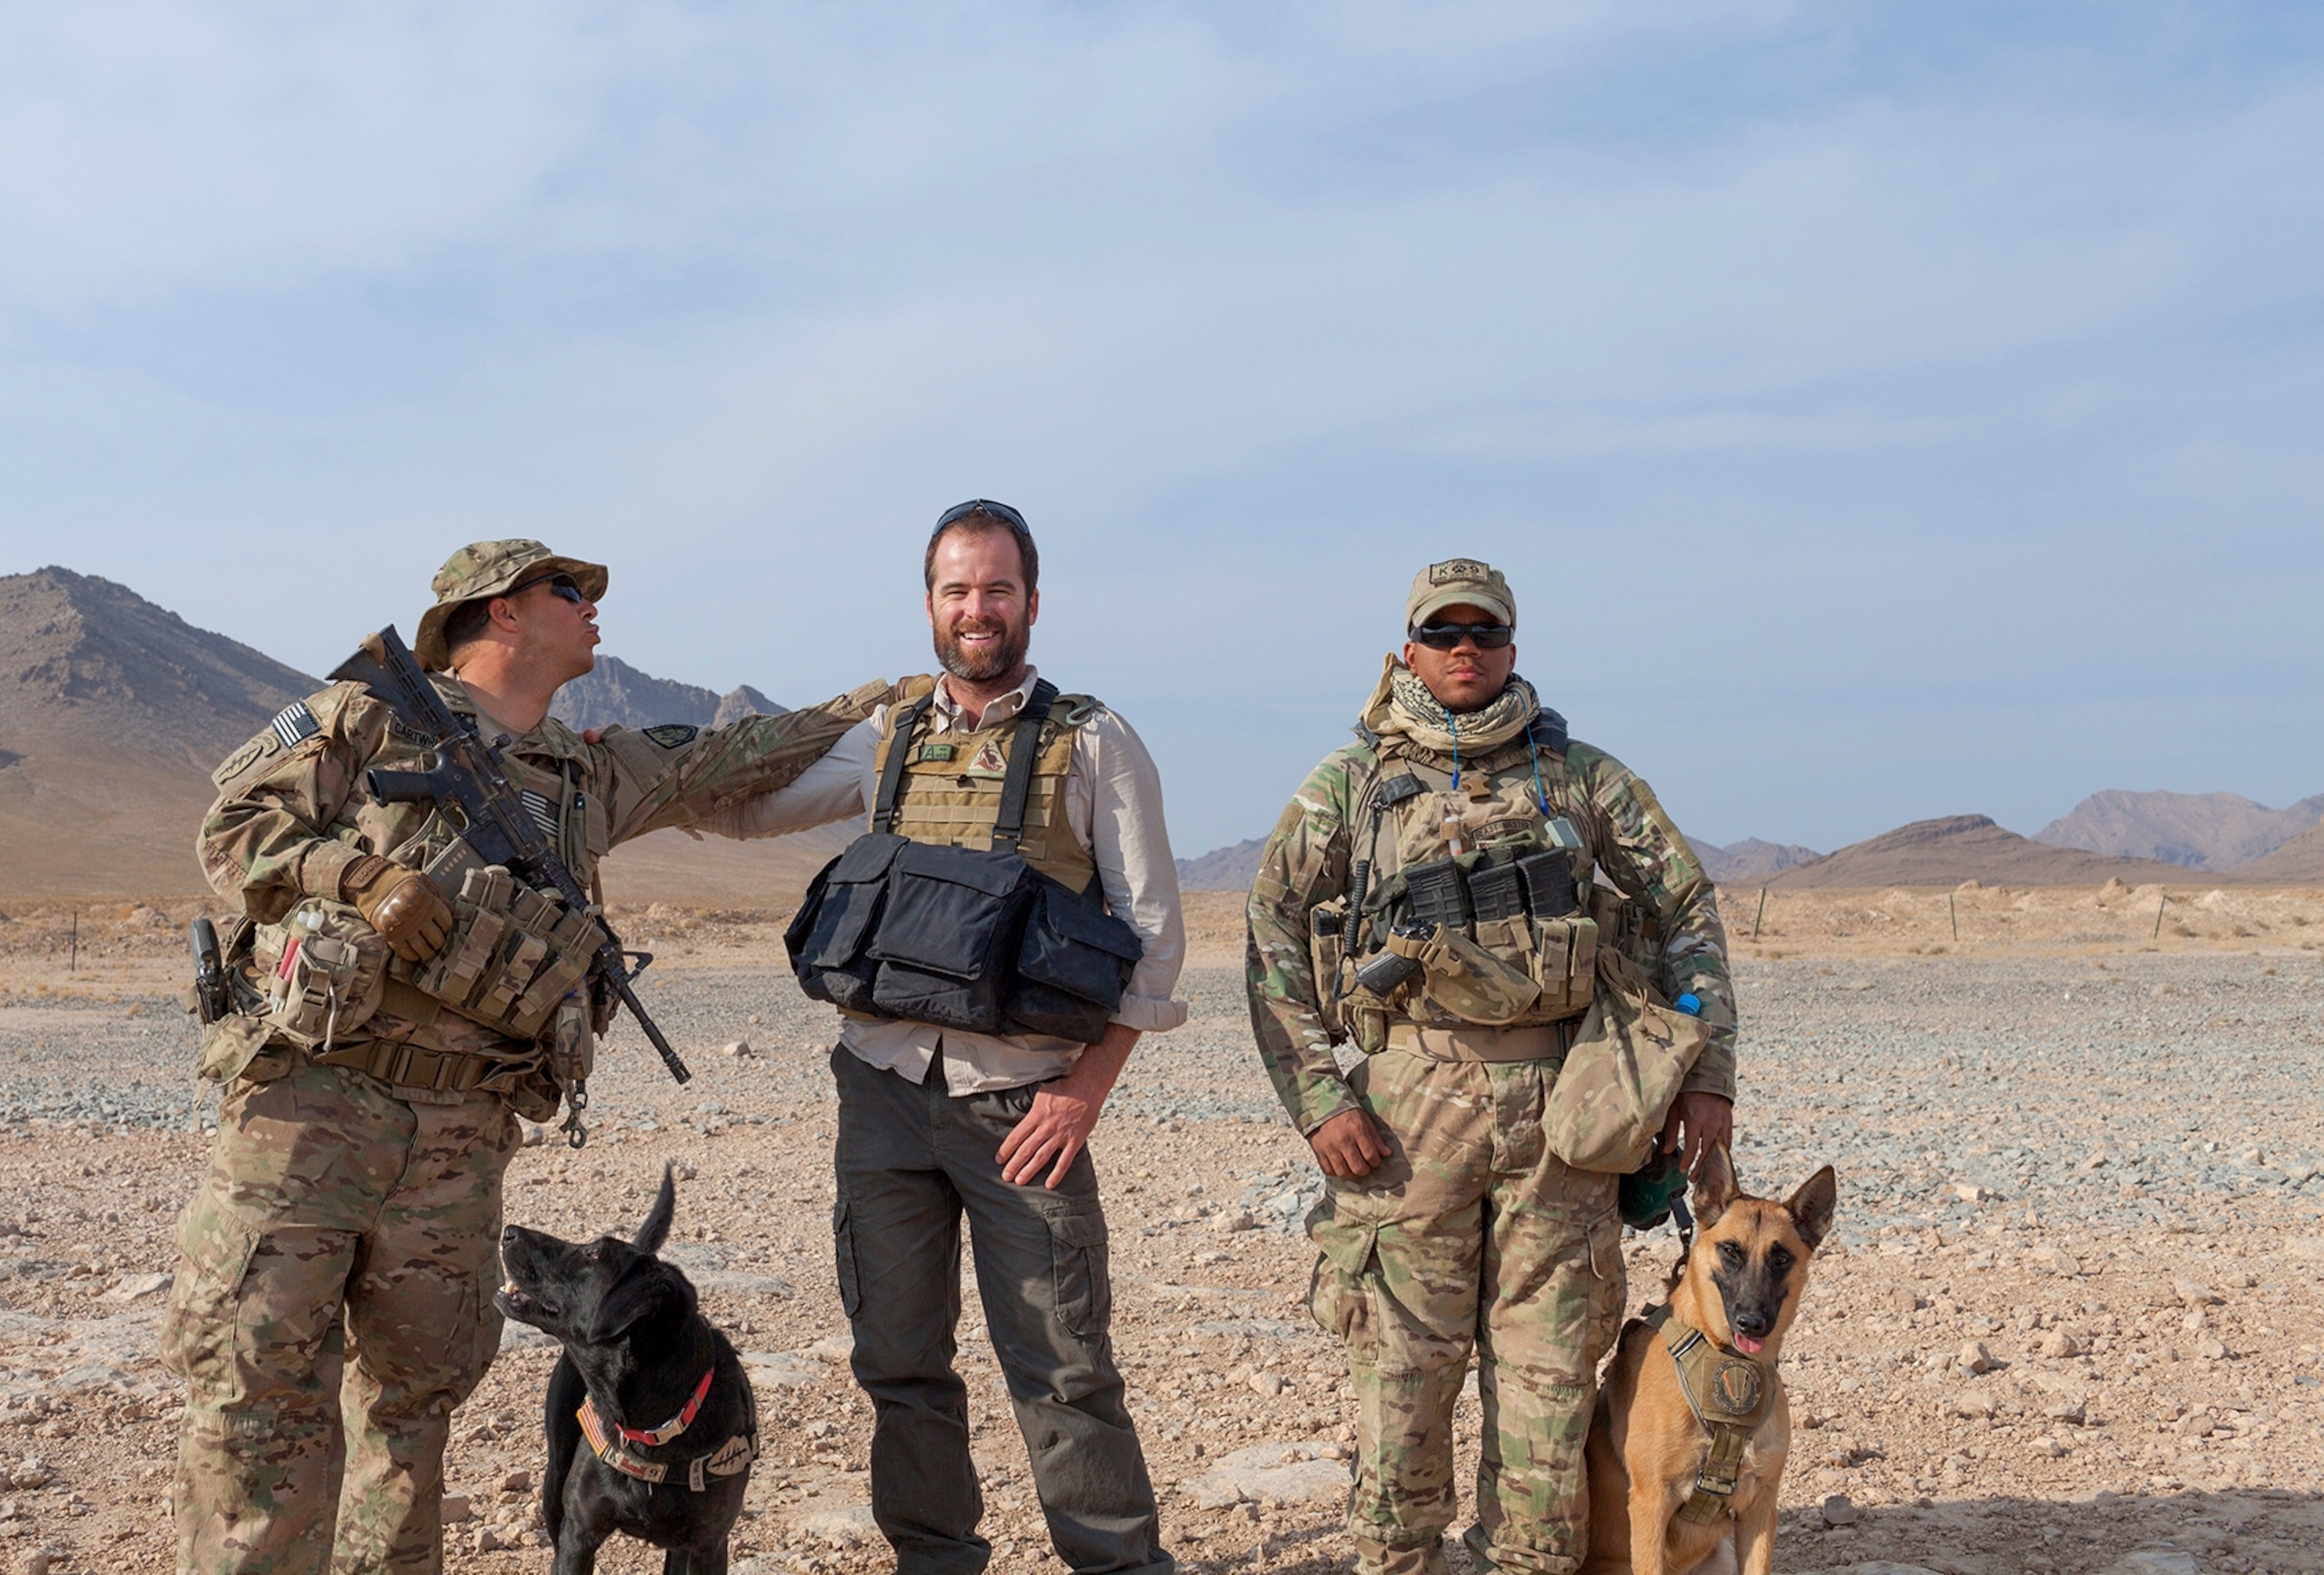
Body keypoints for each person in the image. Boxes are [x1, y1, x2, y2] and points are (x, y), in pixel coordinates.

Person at [167, 537, 886, 1575]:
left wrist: (874, 702)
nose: (592, 603)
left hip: (461, 1134)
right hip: (309, 1108)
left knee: (414, 1409)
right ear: (500, 611)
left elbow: (728, 758)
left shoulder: (583, 771)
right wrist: (359, 876)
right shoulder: (366, 715)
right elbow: (233, 827)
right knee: (257, 1392)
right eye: (567, 588)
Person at [707, 499, 1185, 1575]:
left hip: (1024, 1101)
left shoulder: (1094, 741)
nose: (978, 608)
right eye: (957, 589)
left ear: (1032, 603)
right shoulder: (890, 738)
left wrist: (1084, 1090)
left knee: (1063, 1367)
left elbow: (1155, 940)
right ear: (929, 603)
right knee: (898, 1359)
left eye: (997, 588)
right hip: (880, 1089)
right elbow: (747, 808)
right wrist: (622, 777)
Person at [1243, 557, 1737, 1575]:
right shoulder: (1352, 784)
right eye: (1443, 631)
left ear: (1512, 645)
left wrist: (1707, 1072)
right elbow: (1271, 924)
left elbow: (1685, 903)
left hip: (1566, 1114)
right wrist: (1318, 1097)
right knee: (1403, 1374)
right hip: (1404, 1116)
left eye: (1484, 631)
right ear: (1409, 648)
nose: (1463, 647)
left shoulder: (1580, 777)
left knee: (1550, 1381)